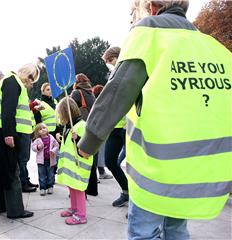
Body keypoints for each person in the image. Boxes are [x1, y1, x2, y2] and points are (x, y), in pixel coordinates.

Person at [78, 0, 232, 239]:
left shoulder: (147, 34)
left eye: (133, 10)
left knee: (144, 233)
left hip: (156, 170)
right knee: (177, 230)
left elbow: (117, 93)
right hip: (195, 171)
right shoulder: (213, 47)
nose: (133, 17)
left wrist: (89, 143)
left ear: (150, 7)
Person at [0, 63, 41, 219]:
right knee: (12, 171)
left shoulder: (11, 81)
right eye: (31, 77)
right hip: (7, 132)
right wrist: (8, 134)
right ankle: (15, 210)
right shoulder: (13, 82)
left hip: (4, 131)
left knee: (7, 168)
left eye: (33, 79)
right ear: (25, 72)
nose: (31, 81)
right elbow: (8, 110)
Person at [56, 97, 93, 225]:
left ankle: (81, 215)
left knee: (78, 188)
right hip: (71, 166)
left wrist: (77, 139)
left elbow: (87, 148)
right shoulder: (69, 126)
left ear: (66, 112)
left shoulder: (81, 125)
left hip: (79, 166)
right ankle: (74, 208)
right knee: (72, 186)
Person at [101, 46, 130, 207]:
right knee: (110, 161)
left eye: (110, 60)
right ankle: (126, 192)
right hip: (115, 126)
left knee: (134, 165)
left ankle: (139, 203)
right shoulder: (113, 74)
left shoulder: (130, 69)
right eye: (107, 62)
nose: (109, 64)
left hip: (128, 125)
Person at [70, 73, 98, 196]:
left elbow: (70, 108)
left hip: (80, 128)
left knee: (79, 159)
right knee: (89, 159)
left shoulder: (77, 93)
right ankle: (91, 188)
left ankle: (80, 190)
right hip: (92, 128)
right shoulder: (91, 93)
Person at [91, 85, 113, 180]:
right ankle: (101, 172)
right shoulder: (102, 102)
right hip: (101, 129)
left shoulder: (94, 101)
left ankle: (100, 172)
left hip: (95, 129)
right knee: (99, 152)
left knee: (97, 152)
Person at [31, 123, 59, 196]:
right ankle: (42, 188)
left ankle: (50, 186)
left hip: (50, 160)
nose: (43, 130)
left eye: (44, 128)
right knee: (42, 175)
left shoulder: (51, 137)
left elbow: (56, 145)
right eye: (40, 129)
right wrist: (38, 147)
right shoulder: (37, 140)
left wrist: (53, 151)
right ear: (37, 132)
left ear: (47, 129)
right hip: (41, 161)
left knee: (51, 175)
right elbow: (33, 147)